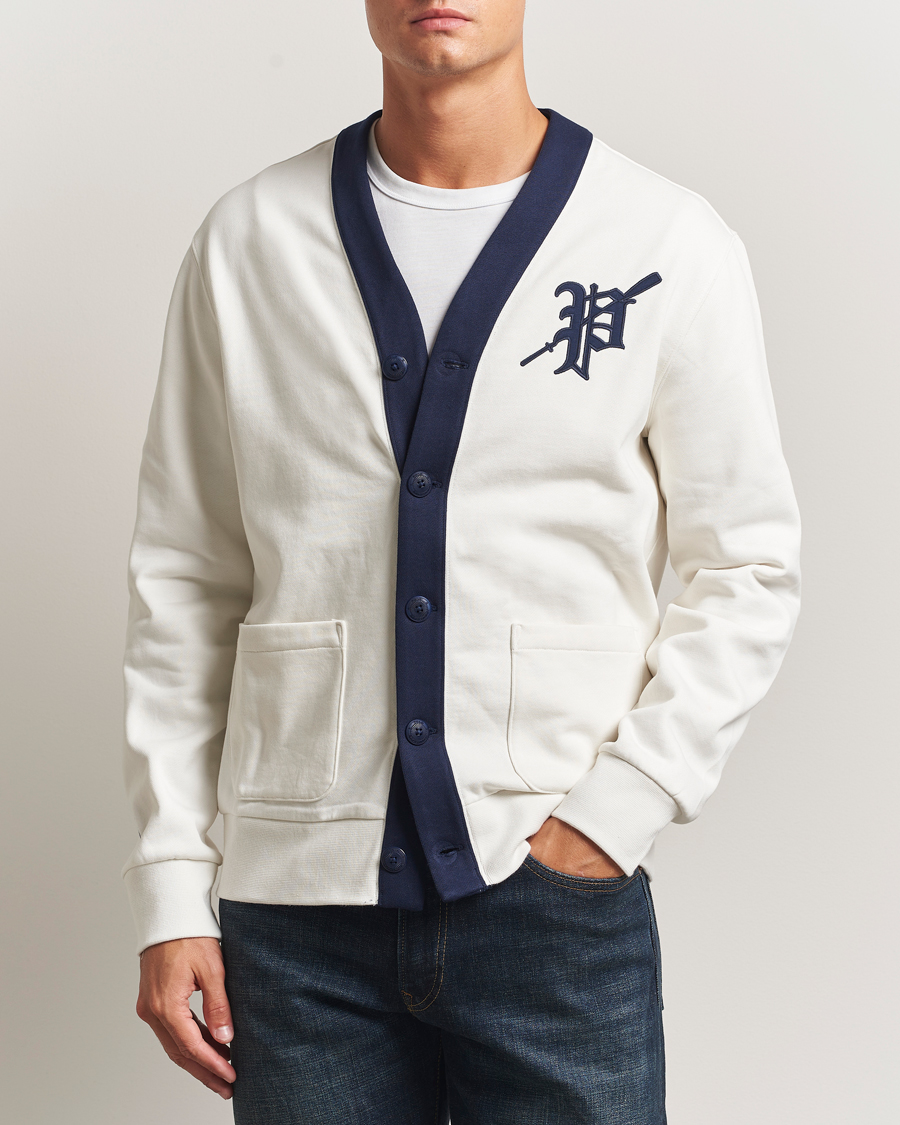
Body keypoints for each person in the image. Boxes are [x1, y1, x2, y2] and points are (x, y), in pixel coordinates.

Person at [124, 2, 801, 1121]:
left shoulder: (661, 241)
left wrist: (614, 813)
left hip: (554, 905)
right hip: (295, 915)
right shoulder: (249, 241)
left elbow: (748, 565)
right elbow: (187, 580)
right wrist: (169, 887)